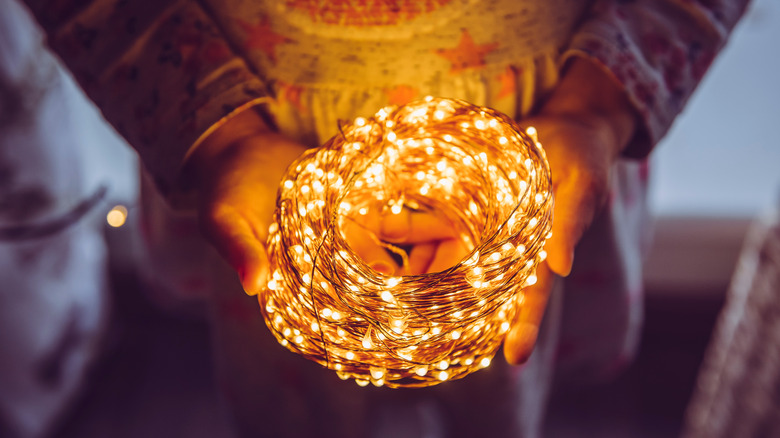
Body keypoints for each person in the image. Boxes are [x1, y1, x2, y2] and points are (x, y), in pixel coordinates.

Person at [11, 0, 749, 436]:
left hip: (547, 135)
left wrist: (599, 105)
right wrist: (218, 136)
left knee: (497, 389)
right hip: (245, 134)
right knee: (300, 407)